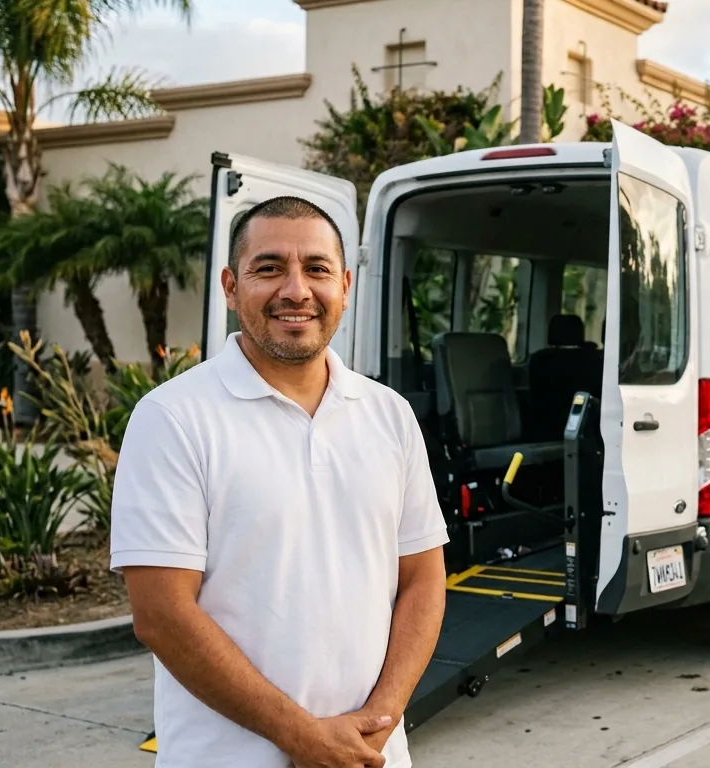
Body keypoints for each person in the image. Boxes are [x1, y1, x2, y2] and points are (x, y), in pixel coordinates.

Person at [110, 196, 448, 768]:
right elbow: (162, 615)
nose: (296, 290)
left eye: (317, 269)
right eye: (269, 268)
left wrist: (378, 724)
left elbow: (423, 579)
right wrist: (302, 737)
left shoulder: (389, 414)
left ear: (345, 286)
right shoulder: (173, 418)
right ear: (230, 286)